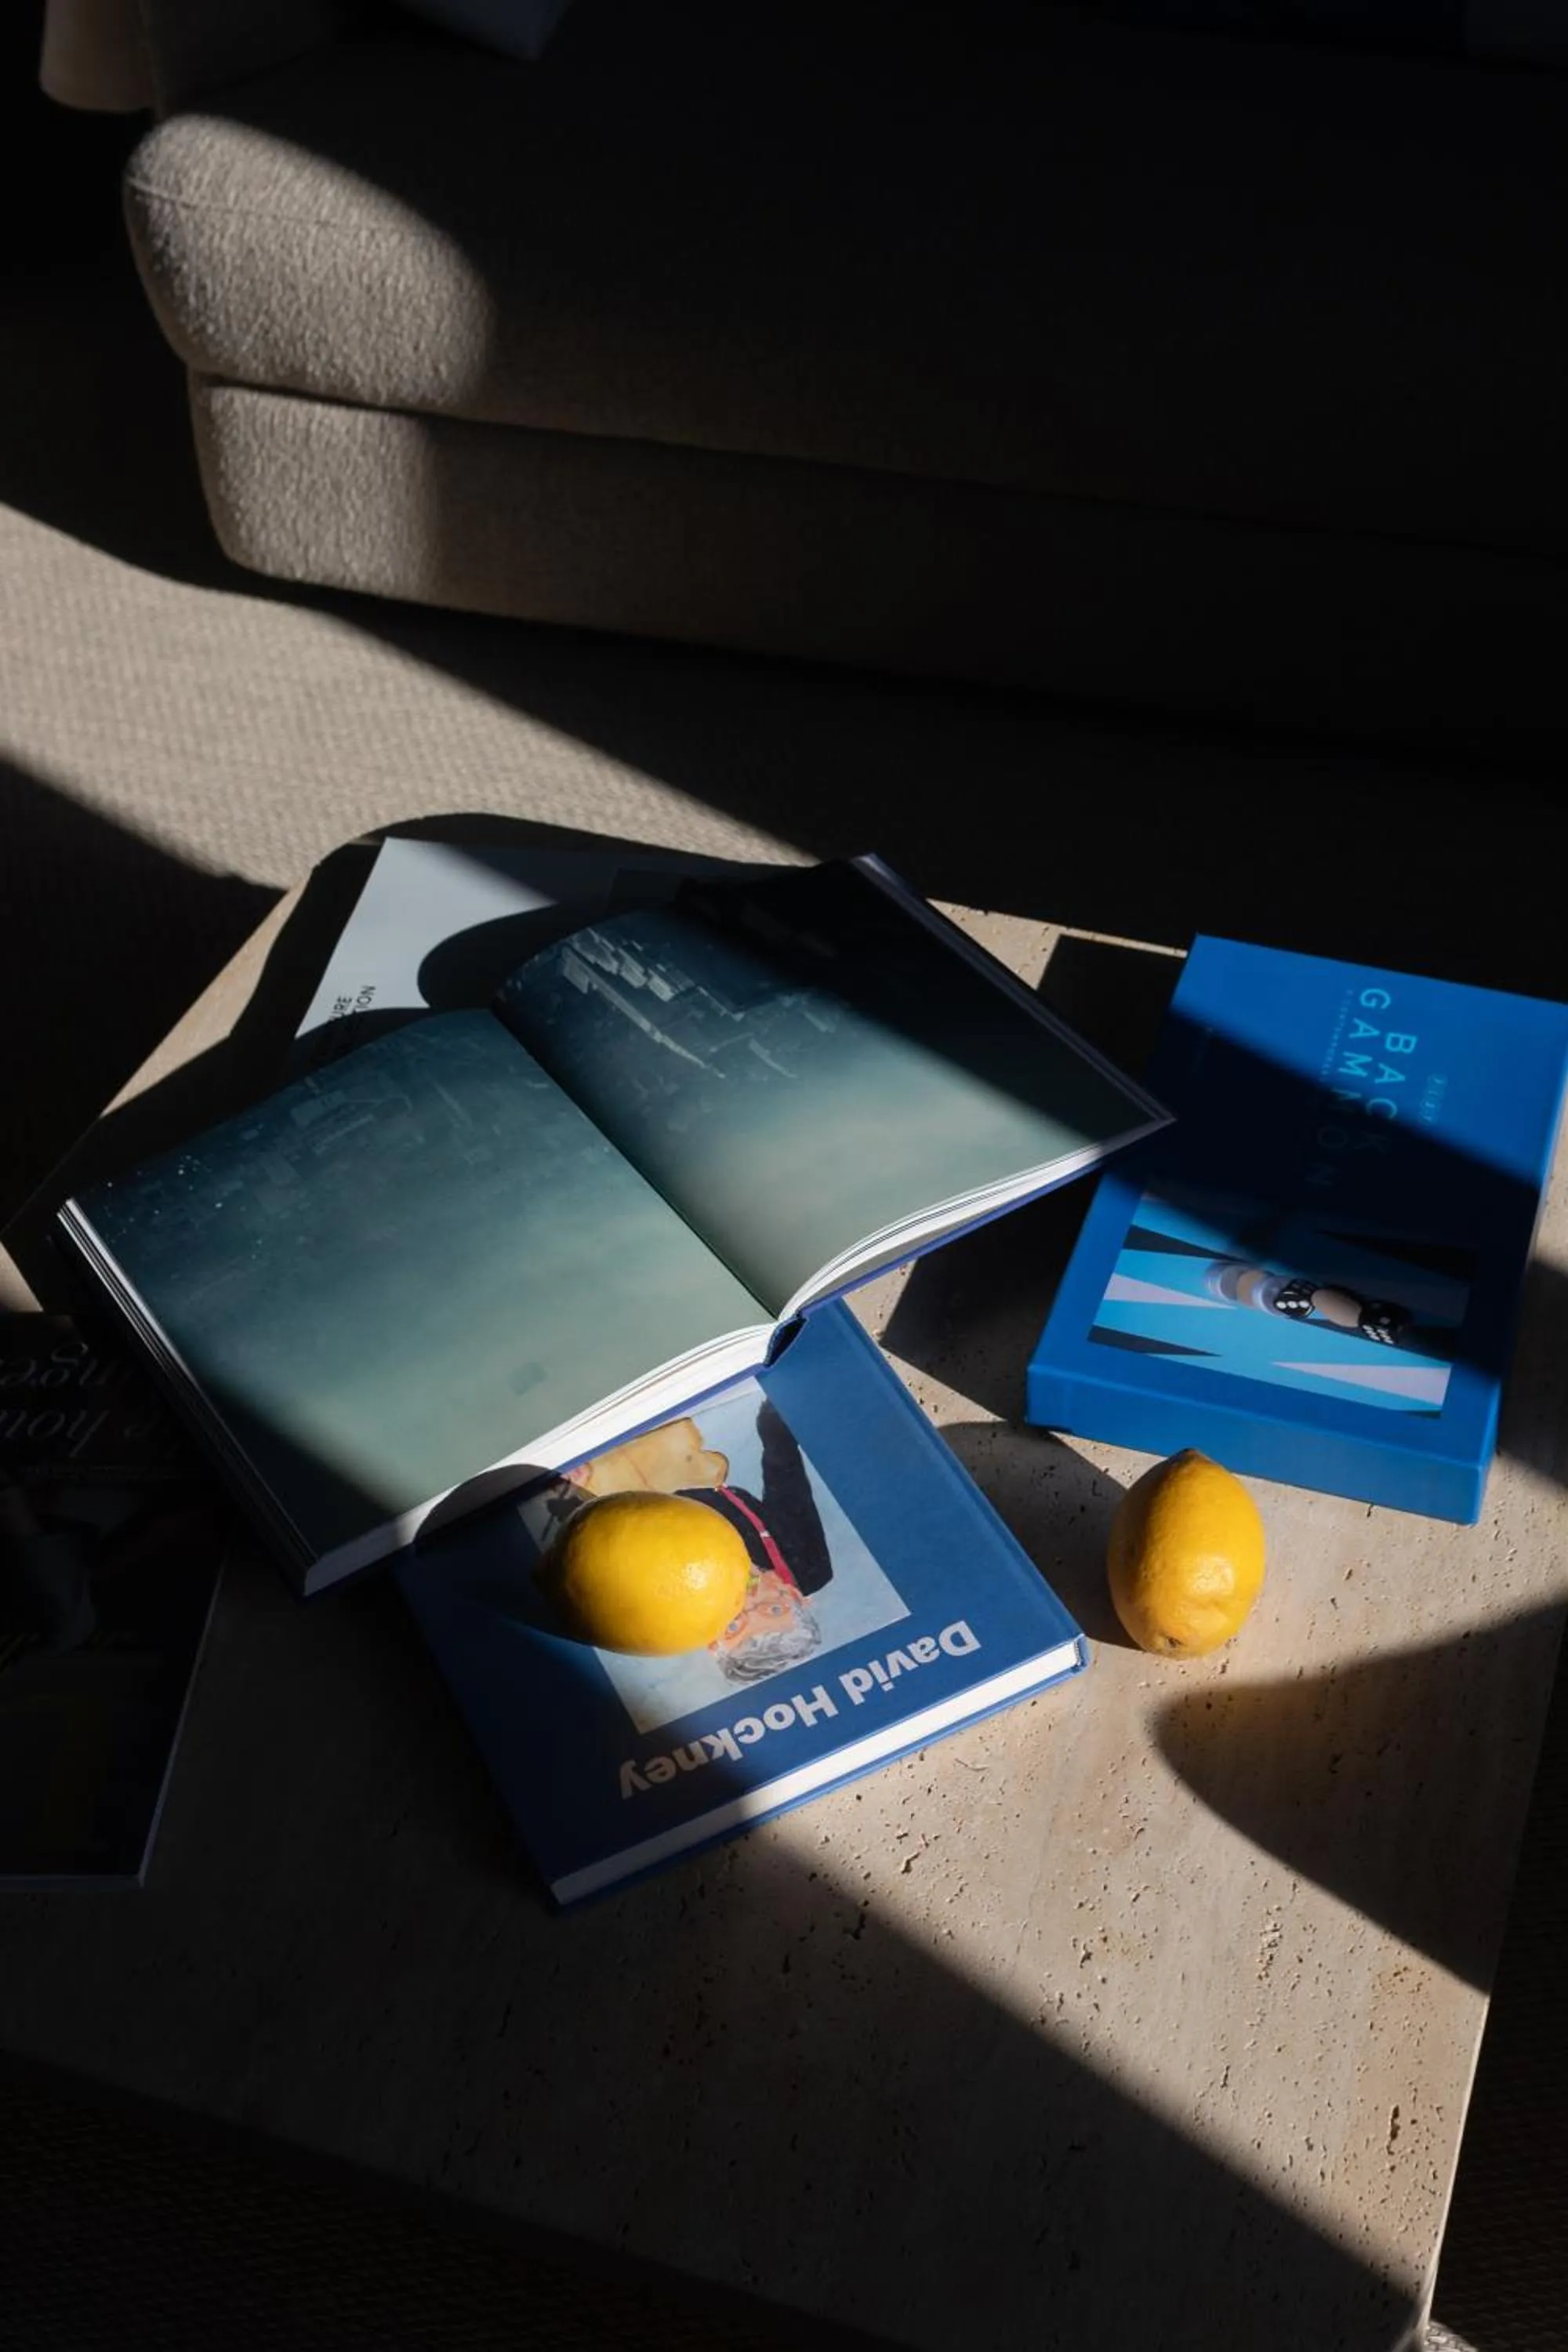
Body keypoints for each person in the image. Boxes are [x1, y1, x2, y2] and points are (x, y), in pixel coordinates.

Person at [540, 1394, 833, 1682]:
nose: (748, 1601)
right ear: (795, 1596)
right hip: (686, 1467)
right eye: (773, 1609)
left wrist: (571, 1495)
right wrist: (773, 1415)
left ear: (711, 1642)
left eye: (734, 1625)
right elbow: (787, 1481)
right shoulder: (809, 1567)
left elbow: (598, 1559)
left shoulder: (666, 1619)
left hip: (614, 1496)